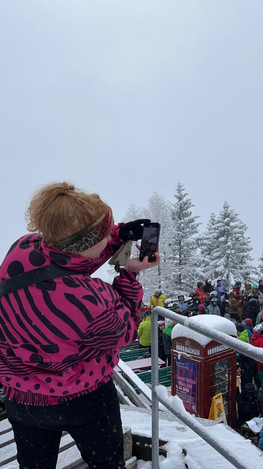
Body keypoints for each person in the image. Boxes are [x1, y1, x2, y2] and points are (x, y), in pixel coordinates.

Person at [0, 182, 159, 469]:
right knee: (106, 464)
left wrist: (117, 236)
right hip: (81, 398)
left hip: (22, 396)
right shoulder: (88, 301)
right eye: (105, 234)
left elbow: (66, 263)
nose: (109, 237)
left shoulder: (24, 248)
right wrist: (129, 275)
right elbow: (124, 329)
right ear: (87, 243)